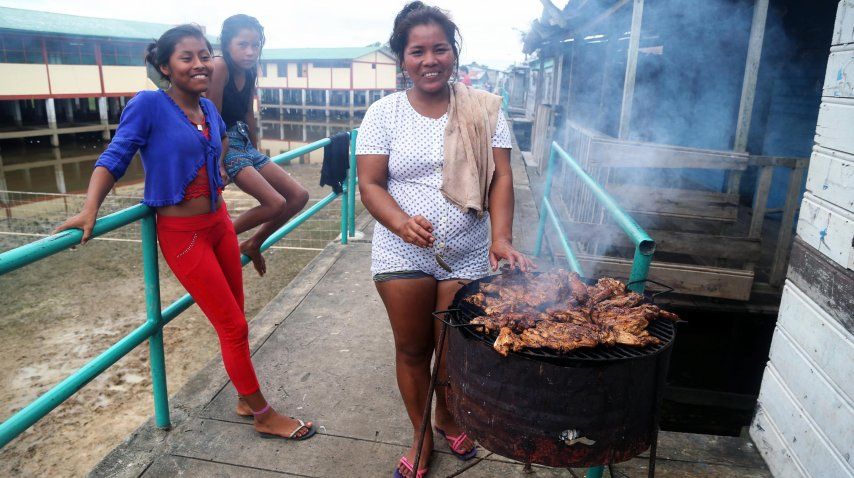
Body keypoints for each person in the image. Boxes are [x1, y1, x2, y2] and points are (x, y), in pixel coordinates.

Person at [55, 24, 316, 441]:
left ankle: (245, 399)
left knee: (238, 320)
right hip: (184, 235)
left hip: (219, 228)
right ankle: (264, 414)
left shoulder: (207, 110)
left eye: (204, 55)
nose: (200, 64)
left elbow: (223, 140)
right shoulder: (149, 106)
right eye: (186, 57)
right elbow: (116, 156)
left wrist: (215, 168)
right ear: (165, 66)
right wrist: (91, 209)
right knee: (232, 326)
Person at [356, 3, 533, 477]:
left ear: (454, 54)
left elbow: (501, 177)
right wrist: (398, 222)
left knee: (456, 353)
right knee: (413, 350)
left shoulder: (484, 108)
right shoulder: (383, 113)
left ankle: (448, 414)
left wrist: (501, 237)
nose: (429, 60)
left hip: (470, 252)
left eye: (440, 49)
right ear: (403, 59)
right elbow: (370, 183)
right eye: (418, 51)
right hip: (402, 250)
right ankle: (421, 434)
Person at [207, 14, 309, 277]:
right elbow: (211, 117)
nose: (251, 52)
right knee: (274, 203)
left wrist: (257, 150)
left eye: (256, 45)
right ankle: (212, 240)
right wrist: (218, 161)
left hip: (244, 144)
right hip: (225, 144)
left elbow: (248, 113)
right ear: (226, 45)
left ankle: (254, 242)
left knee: (299, 196)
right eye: (243, 44)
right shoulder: (221, 67)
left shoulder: (250, 70)